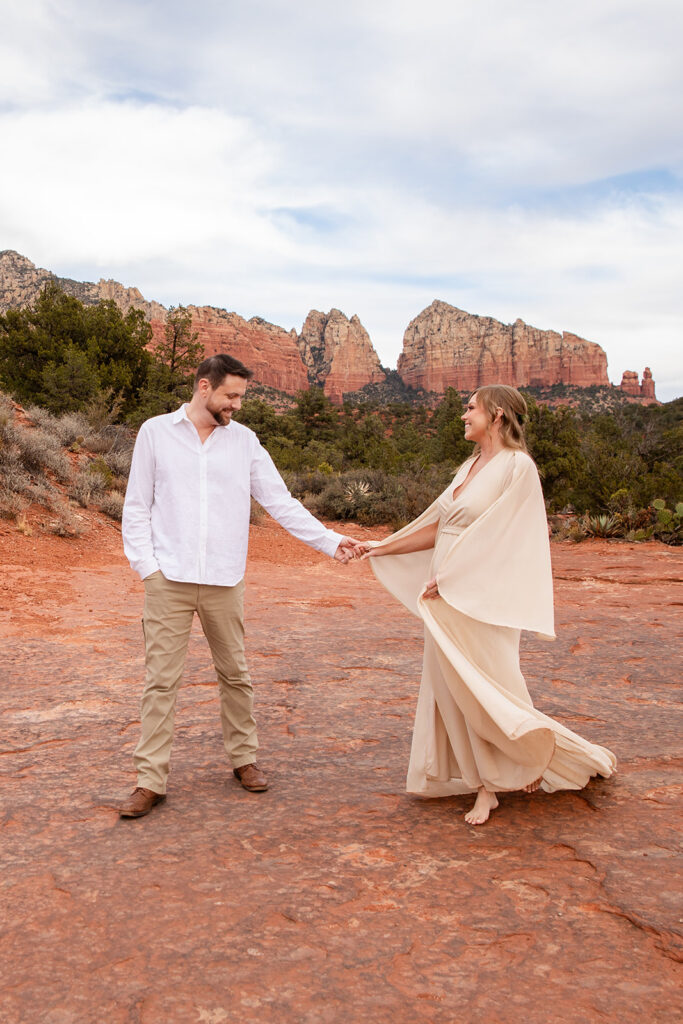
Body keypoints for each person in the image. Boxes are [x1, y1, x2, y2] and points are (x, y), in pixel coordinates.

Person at [356, 384, 616, 825]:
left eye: (470, 408)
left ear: (497, 415)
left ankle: (505, 775)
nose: (463, 414)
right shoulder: (469, 466)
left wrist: (452, 578)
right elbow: (438, 527)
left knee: (488, 684)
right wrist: (379, 547)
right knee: (451, 688)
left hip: (479, 594)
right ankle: (484, 781)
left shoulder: (518, 468)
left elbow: (510, 542)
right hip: (443, 593)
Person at [119, 353, 361, 818]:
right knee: (160, 683)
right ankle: (150, 781)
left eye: (241, 396)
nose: (238, 405)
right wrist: (147, 569)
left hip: (225, 579)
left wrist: (331, 542)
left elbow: (280, 503)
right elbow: (136, 506)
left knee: (236, 674)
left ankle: (244, 760)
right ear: (204, 387)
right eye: (231, 395)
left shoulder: (245, 442)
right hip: (167, 578)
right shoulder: (155, 433)